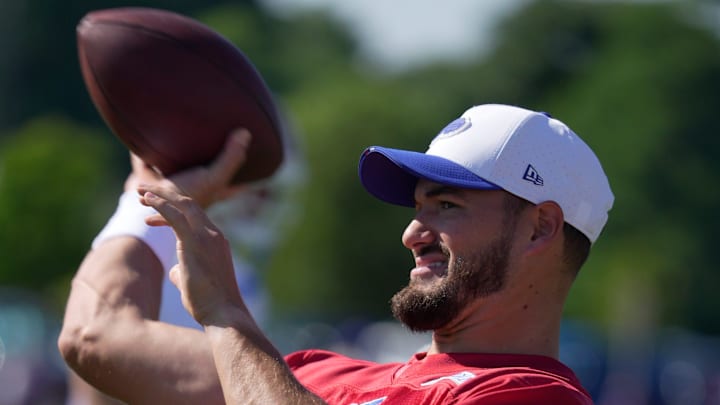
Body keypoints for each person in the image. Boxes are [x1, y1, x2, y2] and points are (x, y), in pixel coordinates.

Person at [58, 103, 613, 404]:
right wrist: (151, 198)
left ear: (541, 228)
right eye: (417, 208)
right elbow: (96, 336)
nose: (413, 232)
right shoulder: (318, 375)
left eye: (447, 206)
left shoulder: (533, 399)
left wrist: (226, 317)